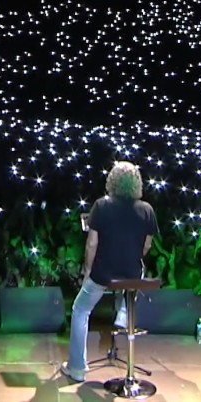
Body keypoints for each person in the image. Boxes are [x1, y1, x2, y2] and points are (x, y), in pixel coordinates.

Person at [61, 161, 160, 384]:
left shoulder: (101, 206)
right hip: (131, 273)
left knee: (80, 309)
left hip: (104, 273)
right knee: (138, 273)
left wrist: (87, 271)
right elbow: (147, 246)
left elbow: (92, 244)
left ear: (112, 181)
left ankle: (77, 368)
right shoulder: (147, 209)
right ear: (137, 183)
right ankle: (124, 313)